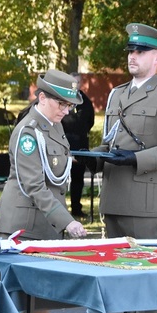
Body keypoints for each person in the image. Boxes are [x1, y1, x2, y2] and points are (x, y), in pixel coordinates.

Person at [83, 23, 157, 313]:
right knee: (109, 282)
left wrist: (136, 159)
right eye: (131, 50)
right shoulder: (117, 94)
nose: (133, 56)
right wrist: (92, 156)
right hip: (113, 198)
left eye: (140, 51)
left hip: (144, 205)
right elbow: (110, 140)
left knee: (145, 289)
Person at [0, 69, 87, 242]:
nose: (66, 111)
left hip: (47, 223)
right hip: (25, 226)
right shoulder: (28, 132)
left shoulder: (54, 124)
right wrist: (67, 221)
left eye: (70, 105)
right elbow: (34, 186)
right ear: (43, 98)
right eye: (62, 104)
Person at [61, 72, 95, 217]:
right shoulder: (60, 99)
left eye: (77, 82)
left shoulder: (85, 102)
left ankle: (76, 208)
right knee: (58, 179)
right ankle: (59, 210)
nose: (75, 85)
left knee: (78, 179)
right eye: (72, 82)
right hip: (61, 146)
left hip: (80, 146)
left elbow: (90, 121)